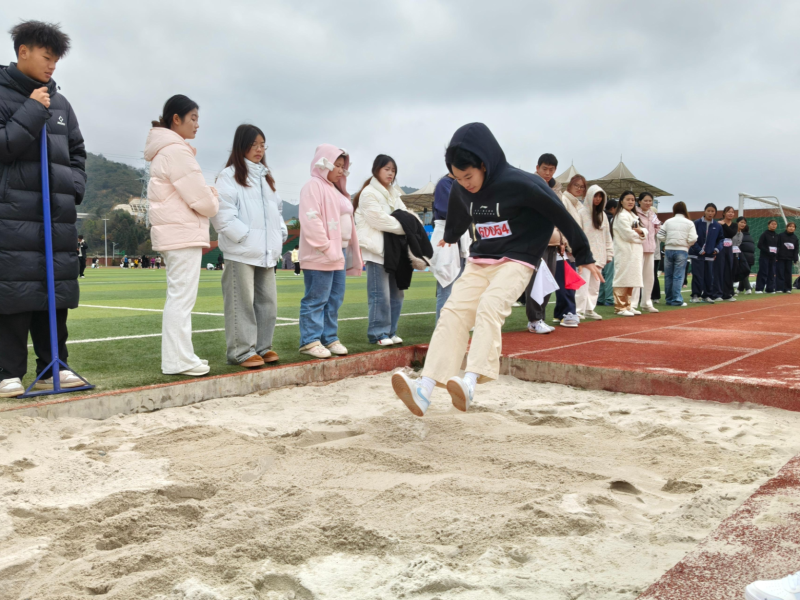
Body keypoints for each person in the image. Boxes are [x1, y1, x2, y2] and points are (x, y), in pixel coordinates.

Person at [391, 123, 601, 416]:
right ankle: (424, 389)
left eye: (469, 176)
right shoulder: (461, 188)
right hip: (481, 259)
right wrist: (451, 235)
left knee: (489, 306)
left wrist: (584, 253)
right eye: (458, 178)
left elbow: (561, 215)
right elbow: (458, 206)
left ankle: (469, 382)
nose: (465, 184)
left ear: (484, 164)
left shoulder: (523, 184)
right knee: (453, 313)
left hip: (518, 259)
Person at [0, 21, 87, 398]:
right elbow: (4, 146)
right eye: (47, 57)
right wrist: (33, 110)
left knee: (55, 292)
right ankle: (7, 373)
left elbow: (77, 153)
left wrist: (73, 187)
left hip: (55, 214)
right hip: (11, 213)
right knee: (14, 291)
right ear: (23, 52)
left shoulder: (61, 103)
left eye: (56, 60)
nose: (52, 66)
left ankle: (56, 366)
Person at [144, 94, 219, 376]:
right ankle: (178, 360)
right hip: (181, 233)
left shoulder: (166, 150)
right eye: (193, 118)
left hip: (176, 232)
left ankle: (179, 357)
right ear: (176, 119)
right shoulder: (176, 151)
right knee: (181, 299)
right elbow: (204, 202)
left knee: (179, 298)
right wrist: (213, 194)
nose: (197, 124)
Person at [211, 124, 287, 368]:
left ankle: (263, 347)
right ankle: (241, 351)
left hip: (266, 251)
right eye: (254, 144)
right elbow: (222, 214)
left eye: (262, 145)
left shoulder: (266, 178)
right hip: (241, 252)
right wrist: (244, 237)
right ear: (241, 145)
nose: (259, 149)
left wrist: (280, 234)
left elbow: (277, 211)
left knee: (268, 303)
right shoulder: (228, 176)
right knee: (240, 303)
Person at [298, 145, 363, 358]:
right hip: (321, 253)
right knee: (316, 297)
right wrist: (326, 246)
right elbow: (311, 218)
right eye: (337, 165)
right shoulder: (313, 186)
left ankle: (329, 337)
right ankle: (310, 341)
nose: (341, 170)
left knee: (334, 298)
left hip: (338, 252)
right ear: (324, 163)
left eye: (343, 166)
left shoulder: (336, 189)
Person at [354, 155, 416, 346]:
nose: (390, 173)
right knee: (379, 294)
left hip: (395, 250)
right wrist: (406, 226)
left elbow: (407, 215)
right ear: (376, 170)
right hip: (376, 249)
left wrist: (407, 223)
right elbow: (379, 221)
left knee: (397, 294)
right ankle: (378, 333)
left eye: (393, 170)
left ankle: (391, 331)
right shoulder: (368, 193)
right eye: (387, 169)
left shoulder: (394, 193)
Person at [523, 153, 564, 333]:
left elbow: (561, 216)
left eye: (551, 170)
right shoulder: (529, 184)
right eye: (545, 169)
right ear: (537, 168)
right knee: (535, 281)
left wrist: (562, 240)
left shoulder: (557, 189)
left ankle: (540, 318)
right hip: (535, 241)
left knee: (548, 281)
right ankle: (534, 320)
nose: (548, 173)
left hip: (553, 241)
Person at [430, 173, 470, 322]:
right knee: (446, 287)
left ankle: (454, 326)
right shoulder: (445, 183)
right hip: (446, 237)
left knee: (459, 290)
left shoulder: (462, 183)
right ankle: (442, 329)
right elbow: (449, 211)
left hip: (461, 238)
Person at [552, 174, 586, 327]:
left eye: (582, 187)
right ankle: (568, 312)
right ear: (569, 185)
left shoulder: (576, 205)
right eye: (576, 185)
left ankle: (561, 312)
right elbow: (560, 222)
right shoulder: (565, 200)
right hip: (563, 247)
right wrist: (564, 243)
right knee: (567, 282)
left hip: (570, 248)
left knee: (566, 280)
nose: (579, 189)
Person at [575, 184, 613, 319]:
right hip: (585, 256)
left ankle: (589, 309)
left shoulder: (602, 215)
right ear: (589, 196)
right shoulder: (581, 213)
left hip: (600, 255)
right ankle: (578, 310)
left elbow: (607, 236)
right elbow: (577, 234)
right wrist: (579, 252)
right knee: (582, 283)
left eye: (600, 197)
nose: (597, 199)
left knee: (594, 285)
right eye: (595, 196)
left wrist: (609, 253)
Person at [612, 191, 647, 316]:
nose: (631, 202)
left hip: (634, 252)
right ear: (621, 201)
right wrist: (641, 236)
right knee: (622, 278)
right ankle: (620, 307)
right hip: (624, 251)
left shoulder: (633, 215)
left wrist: (641, 233)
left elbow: (642, 232)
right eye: (628, 199)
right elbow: (628, 235)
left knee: (631, 278)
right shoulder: (621, 216)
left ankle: (627, 305)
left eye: (632, 199)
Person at [657, 201, 697, 306]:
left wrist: (667, 241)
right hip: (682, 250)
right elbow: (693, 238)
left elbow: (659, 235)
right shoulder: (689, 223)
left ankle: (669, 299)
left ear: (674, 210)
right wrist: (687, 244)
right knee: (678, 276)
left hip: (669, 249)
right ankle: (677, 300)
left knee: (668, 276)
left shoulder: (668, 221)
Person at [630, 193, 661, 313]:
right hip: (638, 248)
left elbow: (658, 226)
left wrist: (651, 235)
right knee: (636, 276)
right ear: (639, 201)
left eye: (650, 201)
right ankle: (633, 304)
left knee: (649, 277)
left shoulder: (652, 214)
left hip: (651, 249)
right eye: (645, 200)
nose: (648, 203)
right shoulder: (634, 213)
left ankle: (647, 302)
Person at [689, 203, 723, 303]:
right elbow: (691, 238)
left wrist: (717, 249)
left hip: (710, 255)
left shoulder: (717, 226)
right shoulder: (696, 223)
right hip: (696, 254)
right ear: (705, 211)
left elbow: (721, 240)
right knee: (697, 275)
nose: (710, 213)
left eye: (712, 211)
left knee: (709, 276)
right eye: (708, 211)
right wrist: (698, 249)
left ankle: (707, 295)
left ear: (715, 213)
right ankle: (695, 295)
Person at [597, 199, 619, 306]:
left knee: (601, 274)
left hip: (599, 249)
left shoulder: (599, 215)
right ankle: (609, 298)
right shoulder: (613, 219)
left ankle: (600, 298)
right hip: (609, 248)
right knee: (610, 275)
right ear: (613, 208)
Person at [713, 206, 738, 301]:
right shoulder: (717, 224)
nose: (731, 213)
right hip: (720, 248)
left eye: (732, 212)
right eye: (728, 212)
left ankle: (727, 294)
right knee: (719, 270)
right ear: (723, 213)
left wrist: (724, 225)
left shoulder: (734, 225)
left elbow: (731, 234)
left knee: (728, 271)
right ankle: (717, 294)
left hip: (729, 249)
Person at [755, 219, 779, 294]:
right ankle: (759, 289)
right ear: (768, 225)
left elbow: (778, 246)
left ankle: (770, 289)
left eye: (775, 224)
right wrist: (768, 251)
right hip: (764, 256)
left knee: (772, 273)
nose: (773, 225)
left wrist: (776, 253)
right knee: (763, 272)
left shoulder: (777, 235)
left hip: (773, 257)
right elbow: (759, 245)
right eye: (772, 224)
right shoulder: (764, 234)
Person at [732, 216, 755, 294]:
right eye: (741, 222)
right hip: (732, 255)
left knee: (743, 271)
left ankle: (741, 289)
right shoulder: (732, 232)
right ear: (737, 223)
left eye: (744, 223)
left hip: (739, 256)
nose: (743, 224)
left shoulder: (741, 234)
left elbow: (738, 246)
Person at [777, 221, 798, 293]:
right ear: (786, 227)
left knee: (788, 273)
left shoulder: (795, 238)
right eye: (790, 226)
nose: (791, 228)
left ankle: (788, 288)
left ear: (795, 229)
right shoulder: (780, 235)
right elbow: (778, 246)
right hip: (780, 258)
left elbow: (796, 249)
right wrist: (776, 256)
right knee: (780, 273)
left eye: (793, 227)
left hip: (789, 258)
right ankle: (779, 288)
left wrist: (795, 259)